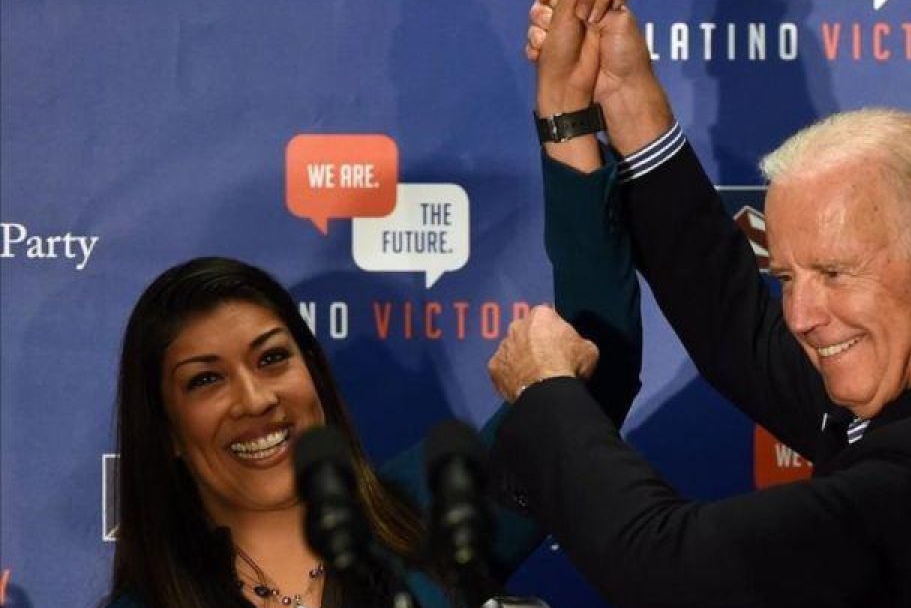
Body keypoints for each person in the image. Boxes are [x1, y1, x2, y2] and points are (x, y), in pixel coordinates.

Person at [486, 0, 911, 607]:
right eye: (787, 275)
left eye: (835, 272)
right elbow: (738, 328)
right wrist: (623, 96)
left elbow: (673, 568)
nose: (801, 313)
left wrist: (547, 393)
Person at [104, 151, 642, 608]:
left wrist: (566, 117)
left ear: (312, 372)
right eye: (205, 381)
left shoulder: (429, 511)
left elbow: (591, 370)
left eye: (271, 359)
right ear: (167, 428)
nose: (256, 399)